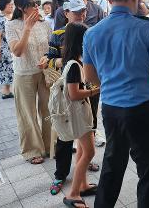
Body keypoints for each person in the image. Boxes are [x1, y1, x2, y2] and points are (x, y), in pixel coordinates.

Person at [82, 0, 149, 208]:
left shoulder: (91, 33)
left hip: (111, 109)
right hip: (143, 108)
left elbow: (90, 78)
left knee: (112, 165)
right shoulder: (146, 27)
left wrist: (111, 84)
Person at [46, 0, 100, 195]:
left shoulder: (89, 30)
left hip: (85, 92)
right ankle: (63, 177)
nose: (81, 15)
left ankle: (83, 181)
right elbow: (49, 62)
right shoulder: (59, 35)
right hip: (73, 95)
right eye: (77, 12)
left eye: (83, 11)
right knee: (67, 137)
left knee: (87, 136)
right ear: (66, 13)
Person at [55, 0, 106, 148]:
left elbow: (103, 34)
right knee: (73, 102)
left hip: (93, 65)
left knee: (93, 102)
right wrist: (58, 61)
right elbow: (59, 41)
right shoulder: (61, 12)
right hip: (74, 67)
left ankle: (92, 132)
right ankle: (76, 135)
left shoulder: (97, 9)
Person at [6, 0, 52, 164]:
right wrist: (27, 28)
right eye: (32, 3)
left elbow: (51, 48)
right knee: (27, 113)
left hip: (45, 72)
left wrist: (47, 58)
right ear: (20, 6)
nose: (36, 6)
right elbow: (17, 51)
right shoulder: (11, 25)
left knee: (49, 110)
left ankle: (50, 144)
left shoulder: (45, 24)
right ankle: (32, 150)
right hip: (24, 74)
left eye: (37, 2)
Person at [61, 23, 98, 208]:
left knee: (83, 151)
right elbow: (74, 94)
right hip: (79, 115)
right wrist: (94, 91)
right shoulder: (74, 65)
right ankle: (73, 193)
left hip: (80, 114)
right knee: (90, 152)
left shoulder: (72, 60)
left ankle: (82, 185)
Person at [0, 0, 14, 99]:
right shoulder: (0, 19)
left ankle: (7, 91)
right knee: (6, 69)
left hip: (9, 48)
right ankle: (6, 91)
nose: (12, 5)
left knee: (8, 69)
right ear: (4, 5)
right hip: (4, 49)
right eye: (10, 4)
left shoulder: (8, 17)